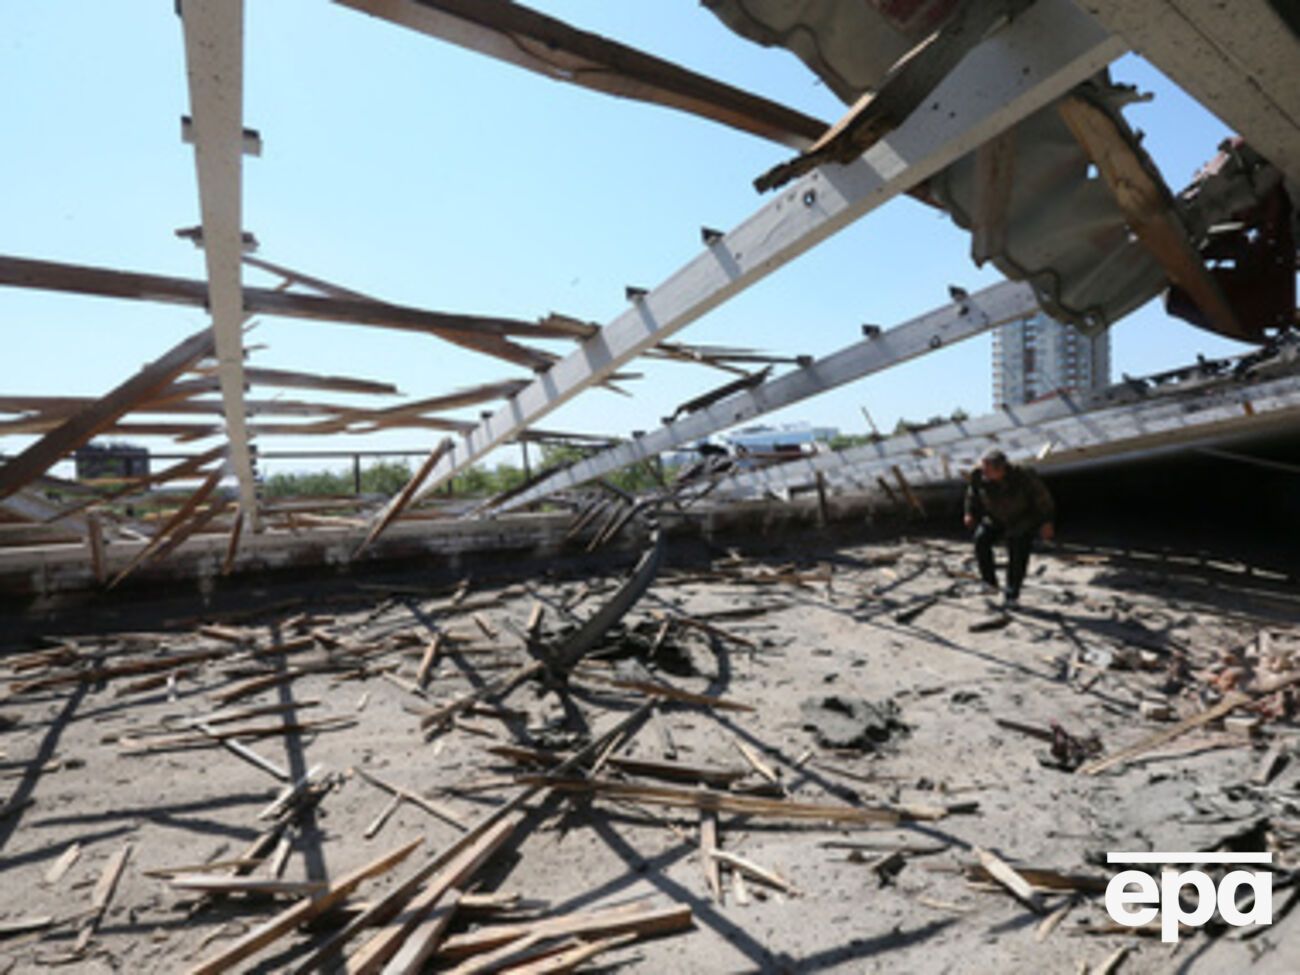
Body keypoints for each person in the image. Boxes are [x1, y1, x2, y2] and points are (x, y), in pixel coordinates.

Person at [963, 449, 1055, 607]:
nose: (984, 472)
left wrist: (1046, 522)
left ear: (1001, 469)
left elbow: (1043, 499)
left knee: (1017, 554)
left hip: (1022, 518)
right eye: (983, 468)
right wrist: (969, 513)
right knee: (981, 539)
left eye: (988, 470)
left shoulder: (1024, 475)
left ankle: (1012, 595)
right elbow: (972, 495)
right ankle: (989, 583)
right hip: (995, 517)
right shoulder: (978, 475)